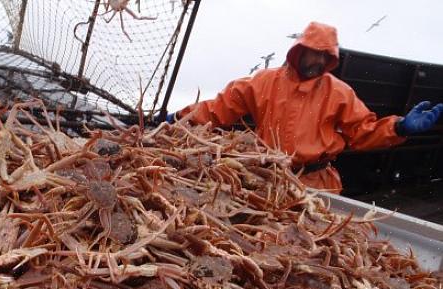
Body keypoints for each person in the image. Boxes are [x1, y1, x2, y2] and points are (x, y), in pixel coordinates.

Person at [163, 21, 443, 193]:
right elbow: (218, 108)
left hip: (319, 184)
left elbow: (362, 131)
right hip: (266, 179)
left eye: (326, 56)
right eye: (315, 53)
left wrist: (399, 126)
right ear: (300, 50)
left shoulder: (339, 92)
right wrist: (176, 118)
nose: (319, 62)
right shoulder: (262, 82)